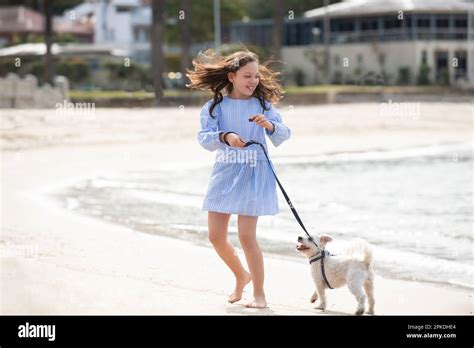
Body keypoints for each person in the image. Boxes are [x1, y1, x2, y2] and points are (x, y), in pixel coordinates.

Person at [186, 49, 291, 308]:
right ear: (232, 76)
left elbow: (284, 134)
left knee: (247, 237)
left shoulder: (264, 105)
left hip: (255, 171)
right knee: (215, 236)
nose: (253, 81)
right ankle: (241, 275)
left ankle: (259, 295)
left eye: (256, 76)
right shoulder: (214, 107)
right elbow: (204, 137)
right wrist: (227, 137)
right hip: (225, 170)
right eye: (247, 76)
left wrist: (269, 126)